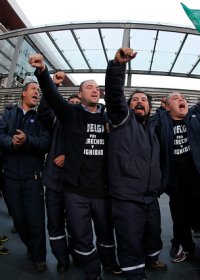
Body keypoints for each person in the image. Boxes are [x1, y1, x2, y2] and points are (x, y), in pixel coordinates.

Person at [29, 54, 120, 280]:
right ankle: (91, 270)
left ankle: (109, 263)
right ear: (79, 95)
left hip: (102, 190)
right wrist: (43, 72)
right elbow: (51, 96)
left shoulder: (109, 120)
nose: (94, 89)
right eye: (89, 87)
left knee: (106, 234)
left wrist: (118, 66)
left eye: (97, 87)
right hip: (75, 191)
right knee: (81, 236)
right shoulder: (71, 114)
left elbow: (118, 97)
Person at [154, 53, 200, 279]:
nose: (181, 99)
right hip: (178, 186)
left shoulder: (197, 114)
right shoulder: (160, 122)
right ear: (166, 106)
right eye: (175, 98)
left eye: (182, 97)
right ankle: (186, 246)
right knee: (181, 220)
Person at [104, 47, 166, 280]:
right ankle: (135, 274)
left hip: (151, 197)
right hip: (126, 198)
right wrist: (118, 66)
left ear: (149, 108)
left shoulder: (151, 128)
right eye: (135, 100)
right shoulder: (122, 119)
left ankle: (152, 258)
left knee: (153, 234)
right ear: (129, 106)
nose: (140, 102)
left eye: (144, 100)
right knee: (129, 240)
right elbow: (113, 95)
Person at [0, 81, 50, 271]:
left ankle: (39, 256)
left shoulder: (41, 119)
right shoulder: (9, 113)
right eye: (33, 90)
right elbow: (0, 133)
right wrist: (12, 142)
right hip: (10, 178)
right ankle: (31, 246)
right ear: (23, 93)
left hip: (33, 179)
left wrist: (27, 140)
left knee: (36, 221)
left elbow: (45, 143)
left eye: (39, 91)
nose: (37, 93)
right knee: (19, 221)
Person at [37, 72, 81, 273]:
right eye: (69, 102)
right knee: (55, 224)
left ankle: (77, 255)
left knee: (75, 225)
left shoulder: (85, 124)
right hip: (54, 181)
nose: (72, 105)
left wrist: (69, 157)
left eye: (76, 103)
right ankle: (61, 259)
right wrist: (52, 86)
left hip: (75, 185)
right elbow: (45, 110)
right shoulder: (56, 120)